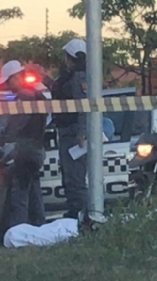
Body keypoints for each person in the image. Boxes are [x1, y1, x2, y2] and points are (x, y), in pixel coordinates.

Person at [0, 60, 46, 229]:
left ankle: (19, 232)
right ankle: (40, 227)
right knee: (33, 192)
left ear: (17, 77)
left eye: (9, 81)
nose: (8, 86)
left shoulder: (24, 96)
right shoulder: (37, 94)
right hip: (36, 149)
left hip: (26, 151)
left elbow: (13, 129)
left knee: (20, 195)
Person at [37, 39, 88, 219]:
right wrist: (46, 79)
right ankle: (75, 212)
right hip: (66, 130)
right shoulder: (69, 76)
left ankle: (81, 215)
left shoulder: (81, 76)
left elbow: (84, 106)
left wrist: (82, 132)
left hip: (75, 132)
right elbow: (60, 92)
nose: (65, 60)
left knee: (75, 177)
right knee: (68, 174)